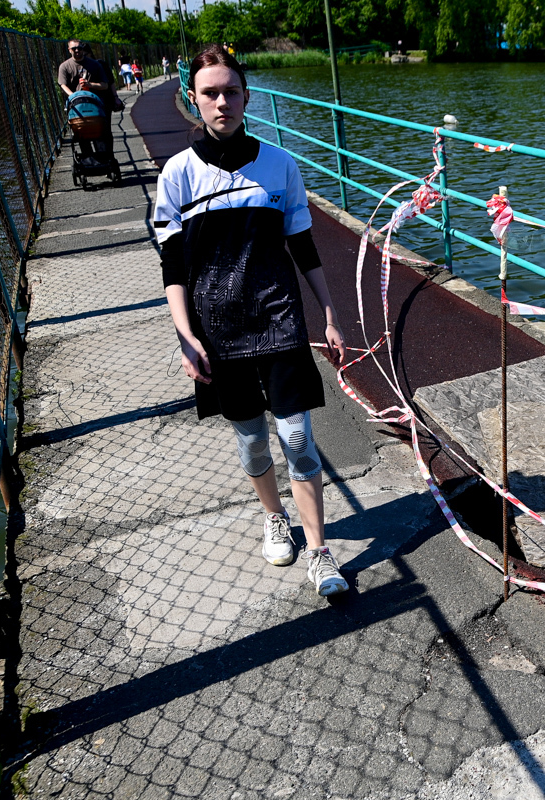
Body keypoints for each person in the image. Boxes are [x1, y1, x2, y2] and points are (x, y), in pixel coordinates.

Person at [155, 44, 350, 597]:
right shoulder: (178, 174)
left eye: (232, 91)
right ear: (193, 99)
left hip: (280, 320)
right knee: (252, 443)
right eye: (210, 93)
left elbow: (304, 246)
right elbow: (172, 266)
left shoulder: (279, 165)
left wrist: (330, 315)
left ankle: (319, 551)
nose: (222, 102)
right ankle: (273, 517)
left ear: (247, 96)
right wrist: (186, 335)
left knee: (297, 438)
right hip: (219, 331)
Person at [57, 40, 114, 157]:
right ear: (69, 50)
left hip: (95, 105)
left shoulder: (95, 65)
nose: (77, 51)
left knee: (100, 134)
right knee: (82, 134)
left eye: (79, 48)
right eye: (74, 49)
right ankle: (88, 160)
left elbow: (105, 85)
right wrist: (73, 96)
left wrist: (90, 85)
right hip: (77, 107)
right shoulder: (65, 66)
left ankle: (104, 159)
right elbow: (63, 84)